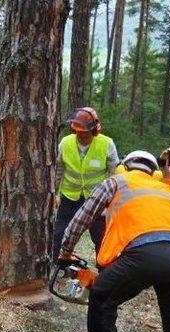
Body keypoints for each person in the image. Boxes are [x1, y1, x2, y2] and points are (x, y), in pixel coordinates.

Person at [58, 150, 170, 332]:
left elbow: (82, 217)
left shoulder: (116, 182)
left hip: (148, 251)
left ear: (123, 167)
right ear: (154, 173)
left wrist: (65, 251)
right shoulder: (169, 191)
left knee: (102, 293)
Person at [53, 107, 119, 260]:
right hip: (69, 196)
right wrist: (54, 194)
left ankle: (103, 265)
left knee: (100, 236)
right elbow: (58, 170)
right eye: (77, 131)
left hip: (97, 198)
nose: (80, 134)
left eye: (84, 131)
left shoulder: (106, 144)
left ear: (94, 129)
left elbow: (114, 173)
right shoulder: (65, 143)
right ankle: (55, 263)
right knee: (59, 232)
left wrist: (110, 199)